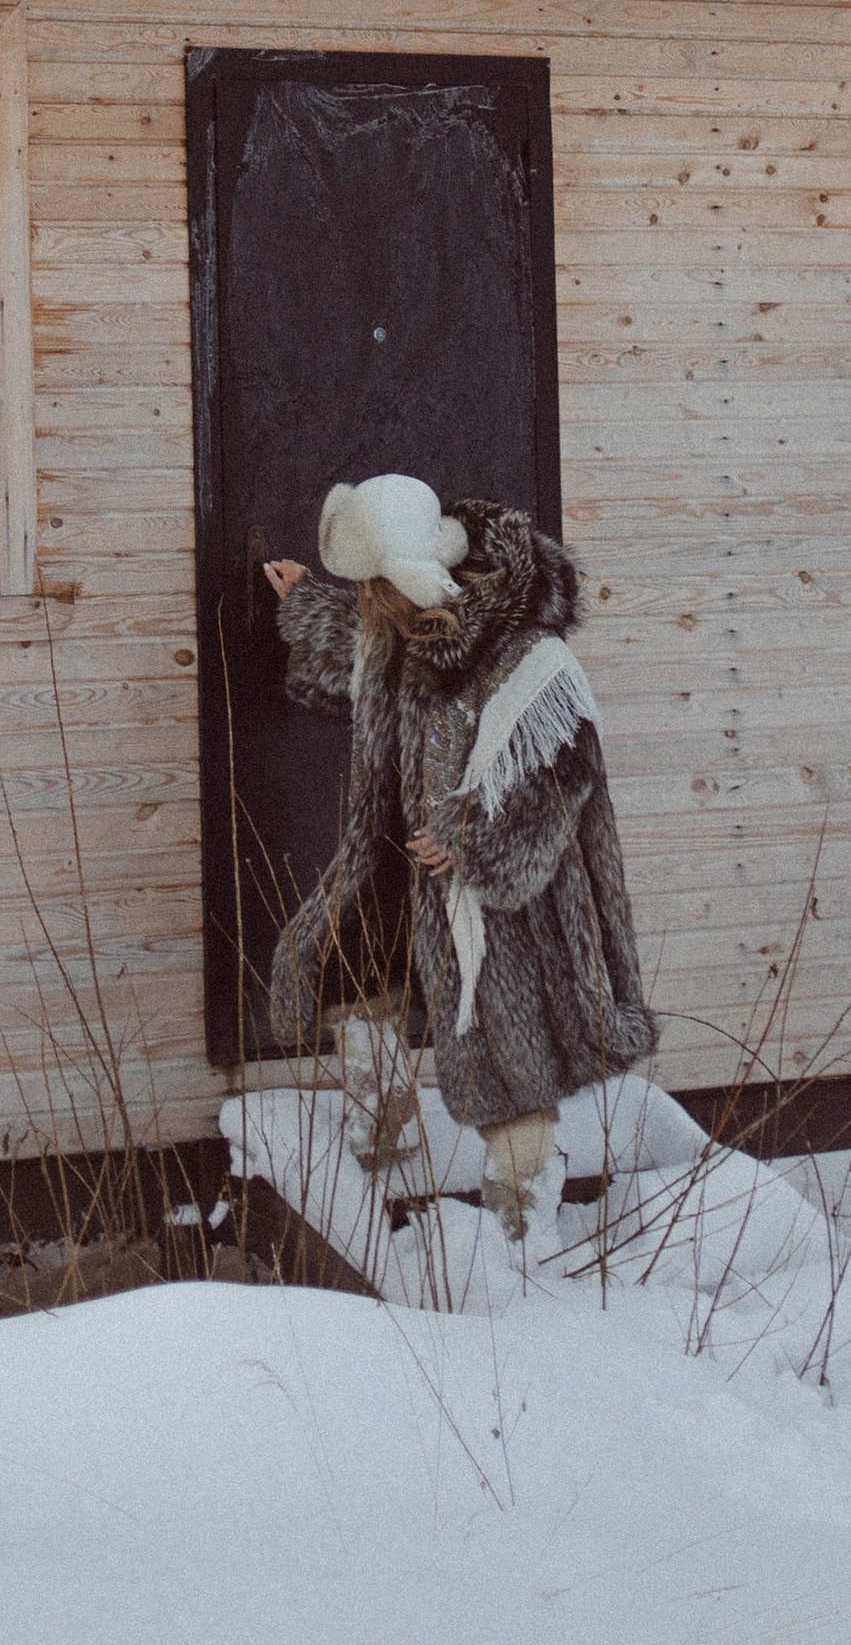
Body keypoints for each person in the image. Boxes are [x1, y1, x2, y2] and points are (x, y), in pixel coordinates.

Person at [263, 470, 655, 1242]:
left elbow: (564, 771)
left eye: (378, 591)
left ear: (412, 580)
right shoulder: (414, 625)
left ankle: (521, 1223)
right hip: (406, 866)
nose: (373, 610)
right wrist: (308, 602)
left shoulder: (522, 650)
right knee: (350, 966)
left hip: (511, 899)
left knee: (513, 1067)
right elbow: (370, 657)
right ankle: (388, 1127)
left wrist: (472, 841)